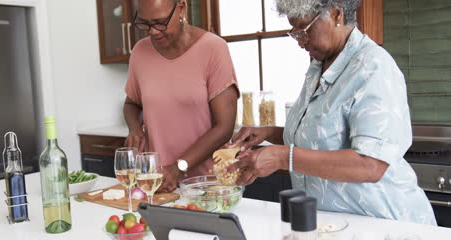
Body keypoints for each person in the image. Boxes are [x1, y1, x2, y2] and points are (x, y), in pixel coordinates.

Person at [227, 0, 436, 225]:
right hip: (334, 226)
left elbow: (371, 164)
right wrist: (269, 133)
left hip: (384, 226)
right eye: (295, 33)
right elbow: (323, 135)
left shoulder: (373, 66)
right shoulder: (319, 67)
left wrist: (280, 157)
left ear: (337, 14)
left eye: (304, 30)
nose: (300, 42)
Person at [124, 0, 239, 192]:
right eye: (144, 23)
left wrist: (179, 167)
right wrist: (135, 128)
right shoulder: (139, 52)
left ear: (181, 8)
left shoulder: (214, 49)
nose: (152, 31)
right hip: (157, 182)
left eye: (160, 22)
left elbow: (224, 127)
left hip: (208, 186)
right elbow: (131, 104)